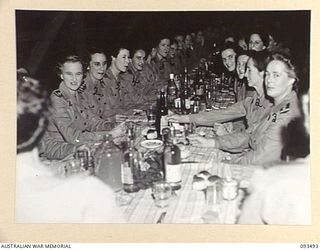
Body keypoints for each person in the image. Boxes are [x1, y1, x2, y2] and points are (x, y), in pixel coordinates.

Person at [16, 69, 125, 223]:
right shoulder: (89, 192)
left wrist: (108, 128)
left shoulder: (77, 94)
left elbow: (49, 146)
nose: (75, 79)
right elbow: (61, 141)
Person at [238, 92, 310, 225]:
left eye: (275, 75)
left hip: (262, 165)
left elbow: (244, 231)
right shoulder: (277, 103)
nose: (269, 79)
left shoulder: (272, 180)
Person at [38, 55, 121, 160]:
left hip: (82, 145)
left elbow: (92, 121)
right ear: (61, 75)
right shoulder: (57, 100)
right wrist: (108, 135)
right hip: (63, 151)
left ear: (83, 75)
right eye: (69, 74)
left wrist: (114, 126)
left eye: (78, 74)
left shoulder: (79, 94)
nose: (74, 79)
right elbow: (72, 137)